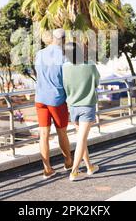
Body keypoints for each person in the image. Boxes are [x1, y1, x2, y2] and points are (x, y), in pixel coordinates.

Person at [34, 29, 73, 179]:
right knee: (61, 132)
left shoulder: (40, 54)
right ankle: (68, 161)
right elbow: (67, 80)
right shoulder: (64, 57)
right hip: (56, 100)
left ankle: (47, 169)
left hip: (40, 99)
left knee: (43, 134)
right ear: (64, 40)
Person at [63, 42, 100, 182]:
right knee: (81, 139)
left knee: (81, 138)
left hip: (73, 106)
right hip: (87, 105)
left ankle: (89, 167)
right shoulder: (90, 65)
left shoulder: (65, 67)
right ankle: (74, 171)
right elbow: (97, 82)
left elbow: (65, 84)